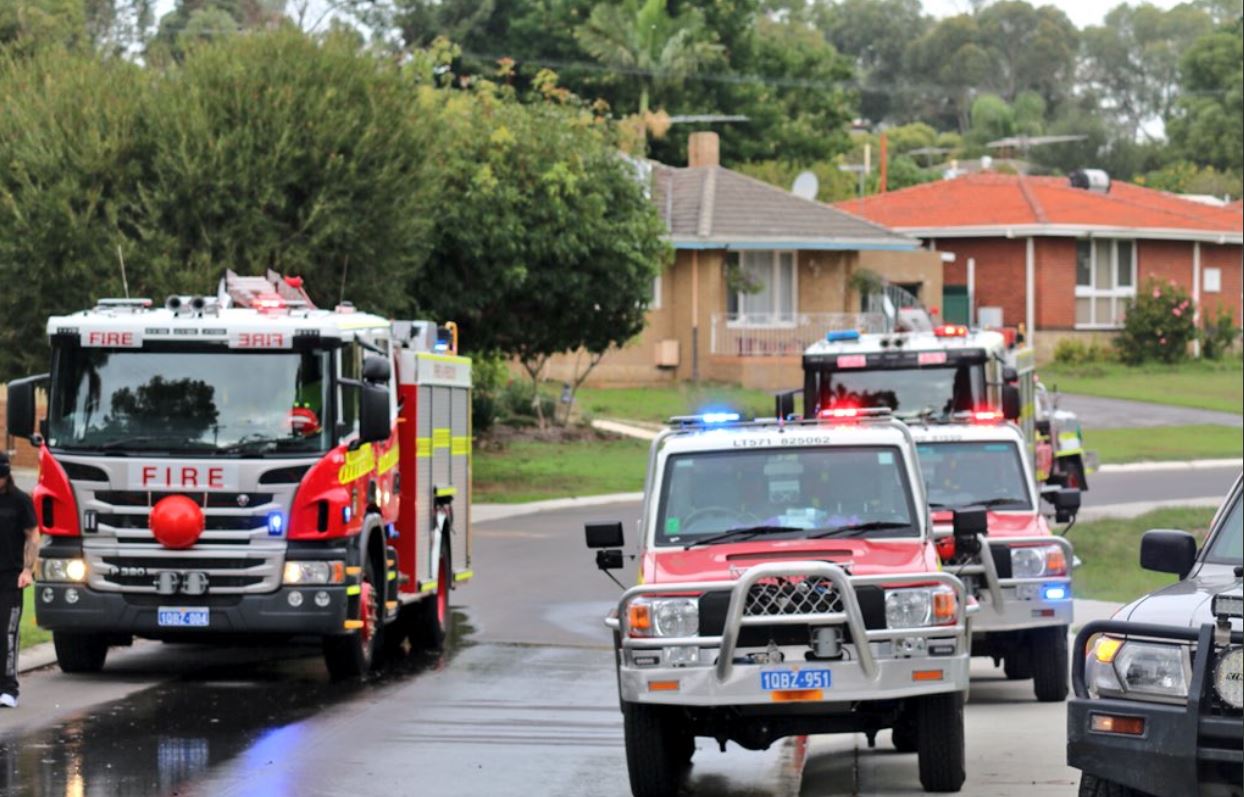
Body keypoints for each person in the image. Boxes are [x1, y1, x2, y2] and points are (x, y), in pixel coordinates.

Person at [0, 452, 38, 708]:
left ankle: (8, 689)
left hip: (11, 577)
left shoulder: (20, 501)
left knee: (7, 633)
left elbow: (33, 536)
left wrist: (27, 570)